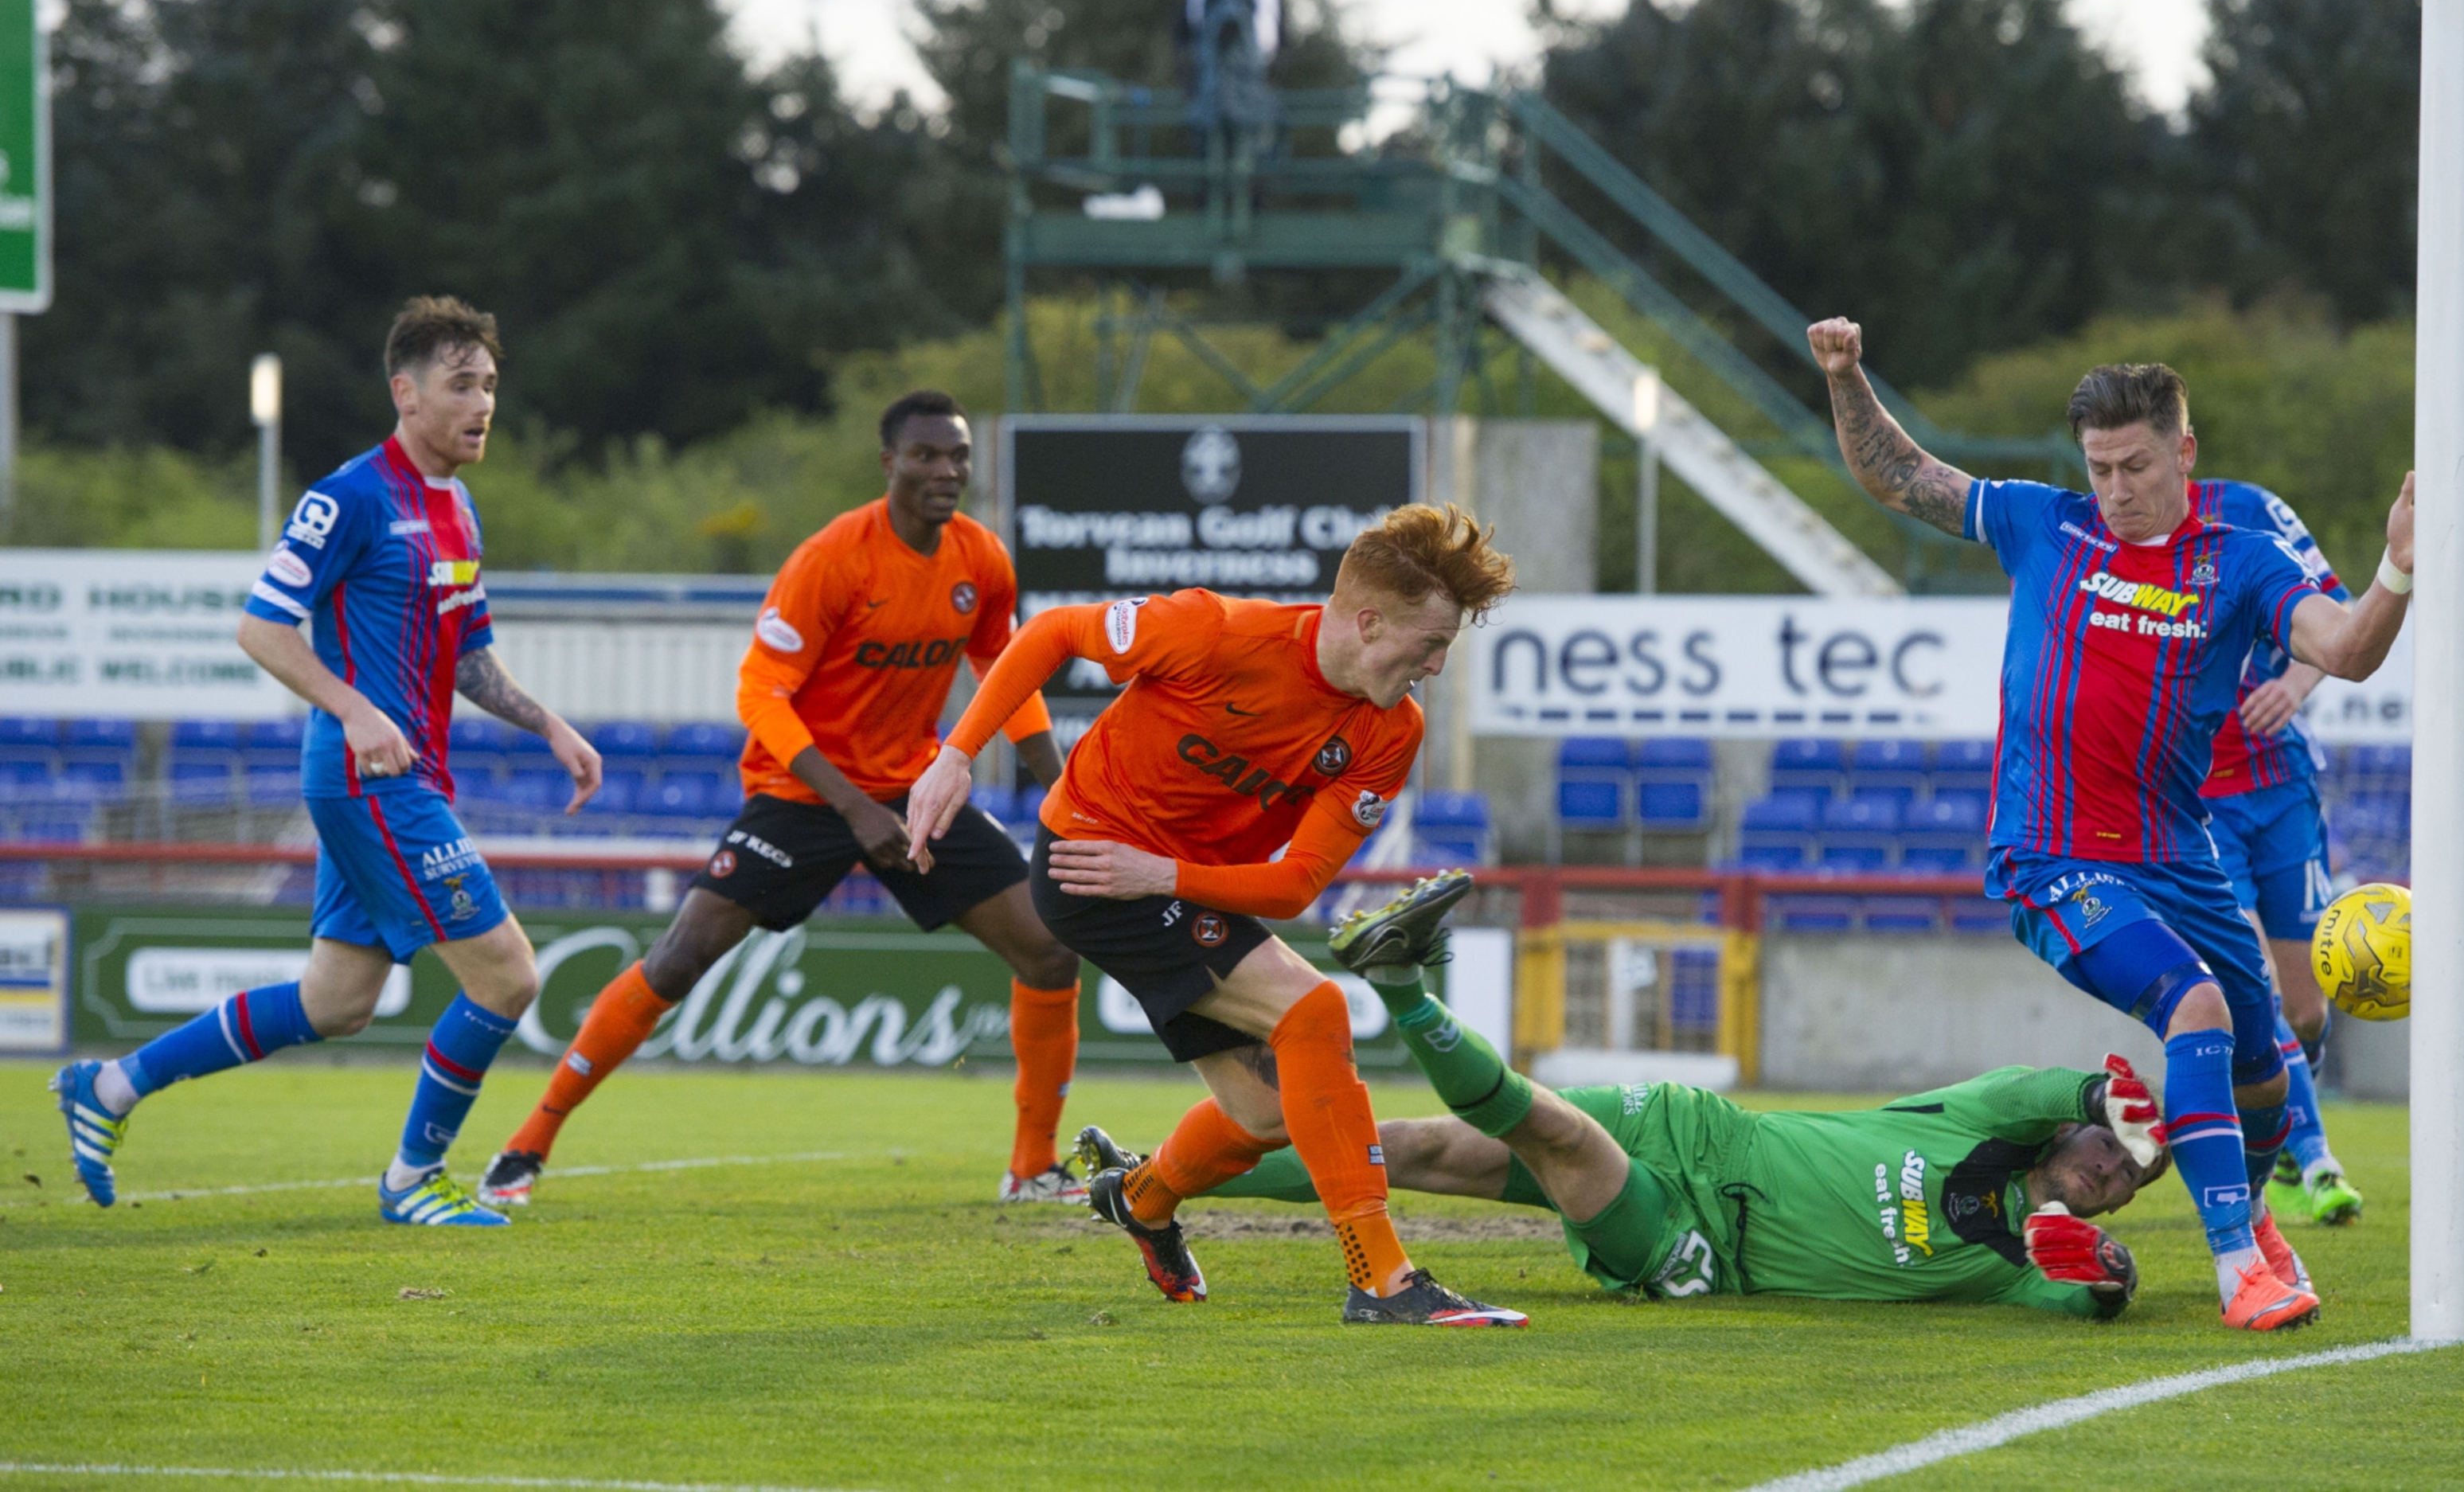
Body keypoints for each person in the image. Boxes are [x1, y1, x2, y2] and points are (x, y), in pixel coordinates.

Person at [1809, 316, 2415, 1331]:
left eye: (2134, 464)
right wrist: (1844, 376)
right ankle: (2238, 1269)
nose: (2115, 488)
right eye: (2097, 467)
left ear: (2183, 450)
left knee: (2267, 1072)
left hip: (2180, 858)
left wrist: (2394, 570)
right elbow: (1898, 476)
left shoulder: (2242, 561)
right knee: (2195, 1008)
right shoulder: (2044, 524)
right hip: (2051, 855)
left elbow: (2345, 651)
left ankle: (2253, 1209)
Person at [902, 504, 1529, 1326]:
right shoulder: (1212, 631)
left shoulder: (1388, 731)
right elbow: (1053, 633)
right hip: (1089, 857)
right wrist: (956, 755)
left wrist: (1161, 873)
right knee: (1313, 1011)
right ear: (1369, 623)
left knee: (1266, 1113)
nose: (1438, 666)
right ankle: (1382, 1278)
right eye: (1431, 643)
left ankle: (1140, 1196)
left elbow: (1295, 884)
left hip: (1165, 879)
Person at [51, 296, 602, 1227]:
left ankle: (106, 1087)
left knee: (336, 1000)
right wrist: (351, 711)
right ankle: (410, 1181)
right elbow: (260, 627)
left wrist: (548, 723)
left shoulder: (460, 508)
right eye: (462, 385)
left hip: (404, 776)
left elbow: (468, 653)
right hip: (371, 780)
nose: (483, 405)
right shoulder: (348, 495)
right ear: (406, 392)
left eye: (491, 387)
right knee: (507, 975)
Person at [477, 390, 1084, 1209]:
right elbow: (760, 695)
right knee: (680, 957)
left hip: (911, 786)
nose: (945, 470)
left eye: (958, 456)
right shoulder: (832, 558)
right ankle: (527, 1144)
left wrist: (1063, 792)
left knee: (1049, 950)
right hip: (799, 791)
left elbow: (1006, 679)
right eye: (927, 454)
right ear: (889, 463)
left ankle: (1031, 1166)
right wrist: (853, 808)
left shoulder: (981, 561)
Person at [1084, 877, 2170, 1318]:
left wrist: (2105, 1280)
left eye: (2127, 1182)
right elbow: (2045, 1082)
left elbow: (2080, 1297)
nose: (2110, 1170)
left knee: (1543, 1124)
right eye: (2112, 1145)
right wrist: (2102, 1088)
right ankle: (1146, 1182)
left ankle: (1405, 982)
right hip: (1694, 1127)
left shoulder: (2016, 1266)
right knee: (1408, 1144)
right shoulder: (1990, 1117)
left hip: (1697, 1241)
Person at [2187, 479, 2365, 1227]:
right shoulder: (2110, 538)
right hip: (2198, 802)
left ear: (2181, 446)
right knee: (2253, 988)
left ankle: (2293, 1119)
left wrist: (2294, 683)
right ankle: (2318, 1159)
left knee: (2306, 1008)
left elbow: (2343, 606)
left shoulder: (2250, 511)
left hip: (2281, 788)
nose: (2126, 484)